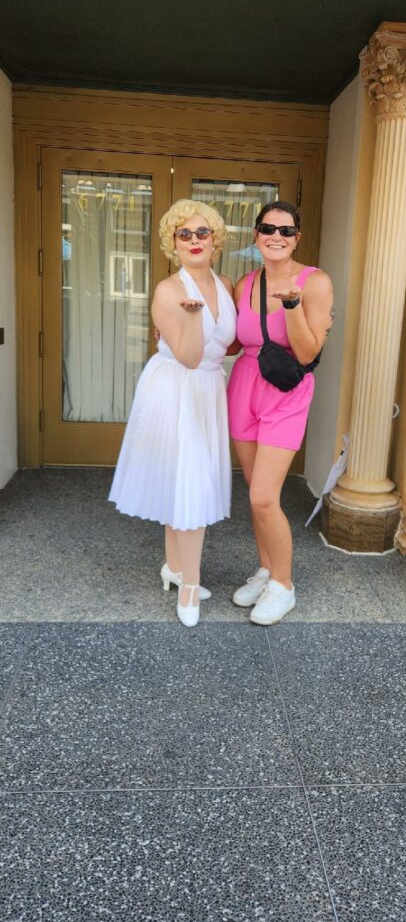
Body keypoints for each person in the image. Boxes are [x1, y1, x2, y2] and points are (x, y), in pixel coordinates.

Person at [109, 199, 236, 628]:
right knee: (191, 485)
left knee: (185, 481)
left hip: (209, 390)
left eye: (203, 233)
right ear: (173, 244)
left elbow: (228, 345)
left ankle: (174, 567)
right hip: (176, 388)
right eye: (185, 234)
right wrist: (194, 318)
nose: (195, 241)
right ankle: (188, 585)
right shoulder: (169, 291)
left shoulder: (227, 283)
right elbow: (187, 356)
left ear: (215, 241)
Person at [227, 201, 334, 625]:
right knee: (256, 492)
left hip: (286, 392)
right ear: (255, 236)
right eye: (268, 229)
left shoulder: (315, 281)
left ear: (297, 238)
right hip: (244, 387)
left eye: (285, 231)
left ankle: (284, 586)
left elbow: (309, 351)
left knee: (263, 496)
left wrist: (291, 306)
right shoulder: (245, 283)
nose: (276, 236)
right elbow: (235, 342)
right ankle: (267, 569)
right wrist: (182, 330)